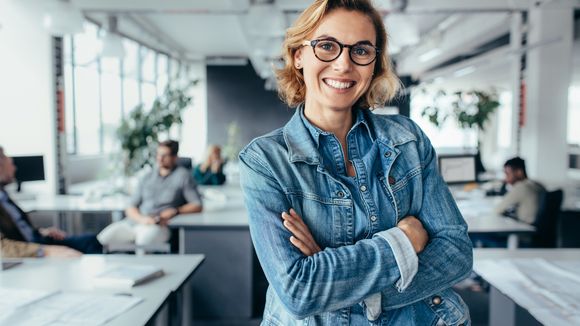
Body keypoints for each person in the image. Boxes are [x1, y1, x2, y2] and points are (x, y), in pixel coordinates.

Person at [238, 1, 472, 325]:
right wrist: (404, 242)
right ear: (299, 55)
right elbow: (299, 290)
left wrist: (342, 282)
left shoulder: (408, 141)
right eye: (327, 46)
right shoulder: (266, 161)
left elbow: (456, 252)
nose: (343, 64)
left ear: (374, 64)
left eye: (361, 51)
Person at [97, 140, 203, 248]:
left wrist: (175, 211)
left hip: (159, 225)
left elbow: (197, 205)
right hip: (136, 221)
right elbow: (130, 206)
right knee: (103, 238)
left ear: (175, 157)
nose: (160, 159)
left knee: (143, 242)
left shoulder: (183, 176)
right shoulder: (147, 176)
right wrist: (142, 219)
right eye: (158, 155)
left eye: (165, 155)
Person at [0, 146, 101, 257]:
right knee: (80, 249)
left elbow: (20, 228)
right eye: (12, 164)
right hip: (30, 250)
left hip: (37, 241)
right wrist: (45, 251)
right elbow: (3, 247)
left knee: (90, 240)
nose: (15, 169)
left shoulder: (3, 196)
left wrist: (41, 232)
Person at [495, 157, 546, 225]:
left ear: (519, 172)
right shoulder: (538, 184)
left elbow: (497, 211)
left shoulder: (521, 187)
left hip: (524, 230)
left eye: (507, 174)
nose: (505, 179)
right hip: (536, 229)